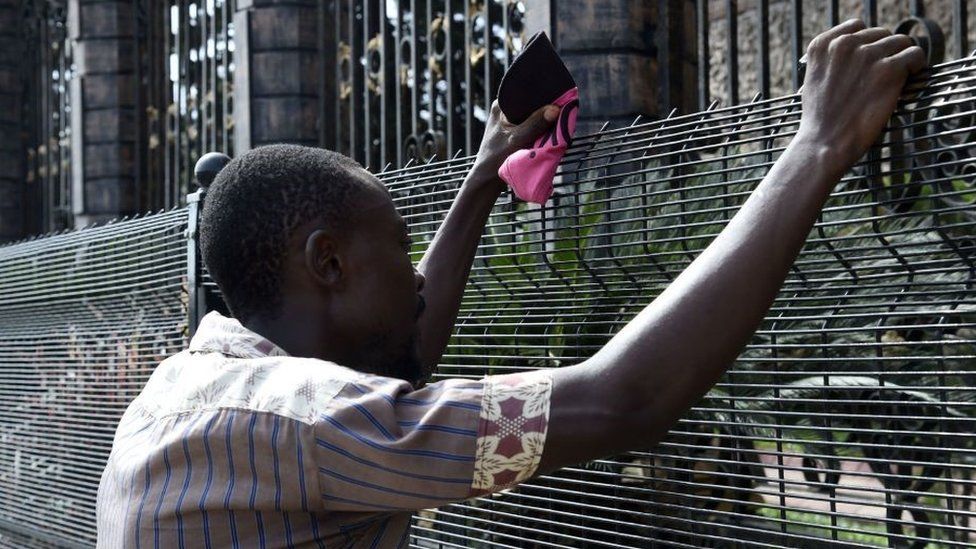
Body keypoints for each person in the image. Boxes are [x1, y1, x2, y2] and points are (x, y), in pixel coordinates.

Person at [96, 19, 926, 548]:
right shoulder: (307, 426)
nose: (418, 278)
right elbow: (624, 398)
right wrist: (818, 145)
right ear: (328, 264)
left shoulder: (190, 392)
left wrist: (486, 175)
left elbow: (402, 356)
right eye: (400, 247)